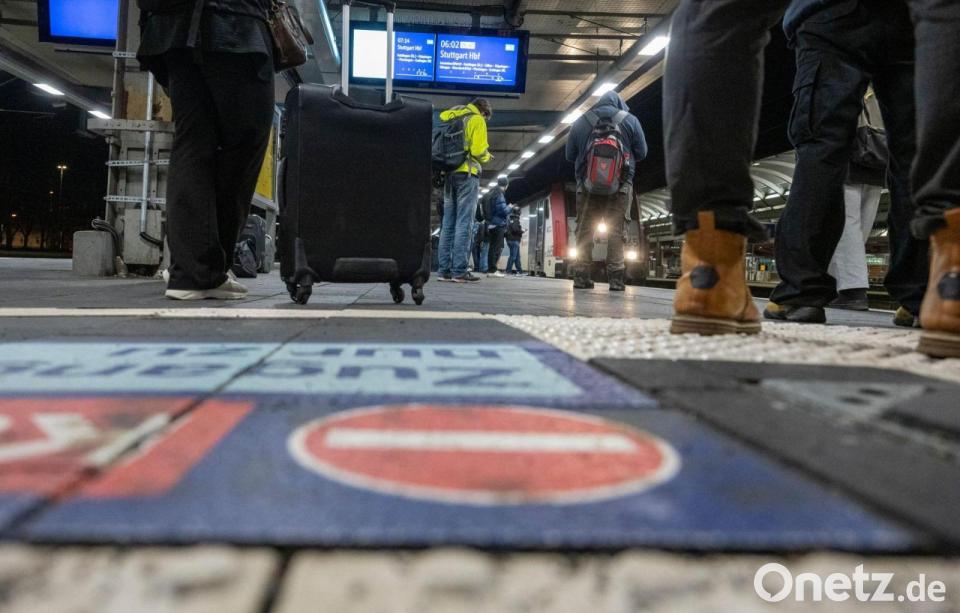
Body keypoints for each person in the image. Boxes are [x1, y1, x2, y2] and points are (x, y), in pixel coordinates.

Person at [664, 0, 959, 359]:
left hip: (829, 17)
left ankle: (716, 274)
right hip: (908, 22)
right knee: (915, 144)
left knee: (719, 13)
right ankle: (943, 285)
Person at [763, 5, 928, 324]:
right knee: (916, 153)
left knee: (822, 145)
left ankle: (801, 293)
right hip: (911, 18)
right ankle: (921, 296)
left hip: (831, 15)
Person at [137, 0, 275, 300]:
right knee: (246, 142)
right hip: (233, 25)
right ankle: (206, 267)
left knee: (192, 143)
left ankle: (190, 272)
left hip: (171, 27)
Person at [565, 91, 648, 291]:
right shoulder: (631, 121)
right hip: (621, 187)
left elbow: (569, 155)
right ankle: (616, 280)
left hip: (587, 187)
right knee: (616, 232)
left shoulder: (581, 121)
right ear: (619, 103)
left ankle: (581, 277)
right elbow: (642, 152)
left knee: (585, 231)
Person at [827, 94, 887, 312]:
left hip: (852, 153)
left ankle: (852, 290)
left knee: (845, 223)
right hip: (879, 154)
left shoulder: (849, 84)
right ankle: (844, 284)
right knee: (861, 225)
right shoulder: (883, 87)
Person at [436, 98, 493, 283]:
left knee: (447, 224)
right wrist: (487, 156)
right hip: (467, 174)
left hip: (448, 173)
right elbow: (478, 151)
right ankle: (459, 271)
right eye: (486, 116)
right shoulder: (476, 119)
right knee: (464, 223)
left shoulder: (450, 116)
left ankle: (443, 270)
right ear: (483, 111)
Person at [483, 177, 512, 277]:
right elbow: (502, 211)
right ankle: (493, 270)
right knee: (496, 248)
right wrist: (509, 207)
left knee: (492, 247)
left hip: (490, 223)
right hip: (498, 224)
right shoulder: (499, 194)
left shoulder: (490, 193)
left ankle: (491, 269)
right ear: (506, 185)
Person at [505, 208, 525, 275]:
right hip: (514, 240)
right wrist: (522, 231)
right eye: (520, 212)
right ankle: (508, 270)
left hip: (510, 239)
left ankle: (520, 271)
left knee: (517, 257)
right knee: (513, 256)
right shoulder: (515, 219)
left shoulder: (510, 219)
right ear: (518, 212)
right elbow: (515, 229)